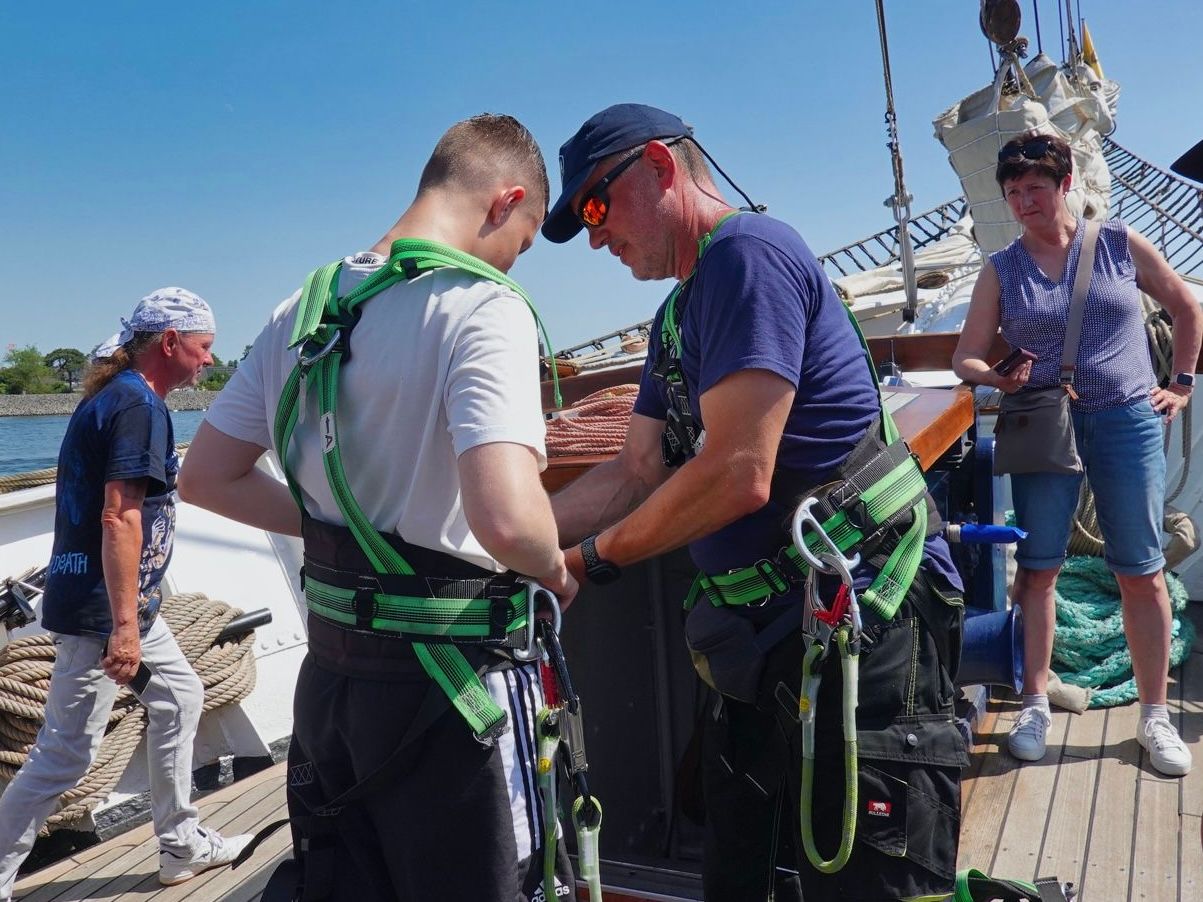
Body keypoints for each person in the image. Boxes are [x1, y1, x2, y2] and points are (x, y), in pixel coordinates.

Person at [543, 103, 967, 902]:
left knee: (861, 873)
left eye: (596, 207)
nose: (595, 237)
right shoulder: (676, 312)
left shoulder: (748, 254)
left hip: (858, 624)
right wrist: (507, 538)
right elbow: (634, 471)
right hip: (761, 639)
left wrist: (585, 561)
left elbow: (740, 472)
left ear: (660, 167)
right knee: (741, 865)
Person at [177, 113, 577, 901]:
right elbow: (504, 519)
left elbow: (206, 477)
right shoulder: (481, 306)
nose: (514, 261)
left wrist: (344, 532)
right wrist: (555, 568)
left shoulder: (299, 308)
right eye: (523, 242)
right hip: (449, 692)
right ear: (506, 202)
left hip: (331, 686)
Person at [953, 131, 1202, 776]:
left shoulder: (1119, 244)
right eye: (1012, 192)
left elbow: (1184, 306)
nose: (1023, 202)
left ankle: (1154, 716)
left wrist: (1180, 383)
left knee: (1141, 568)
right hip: (1044, 423)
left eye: (1034, 188)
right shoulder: (1000, 268)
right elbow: (965, 357)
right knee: (1037, 570)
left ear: (1066, 186)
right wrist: (997, 377)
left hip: (1125, 419)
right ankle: (1034, 702)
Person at [0, 289, 251, 899]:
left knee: (179, 698)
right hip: (102, 610)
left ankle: (180, 844)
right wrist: (124, 627)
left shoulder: (121, 399)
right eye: (205, 347)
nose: (210, 362)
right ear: (171, 343)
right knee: (64, 754)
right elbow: (119, 518)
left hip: (122, 603)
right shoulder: (138, 406)